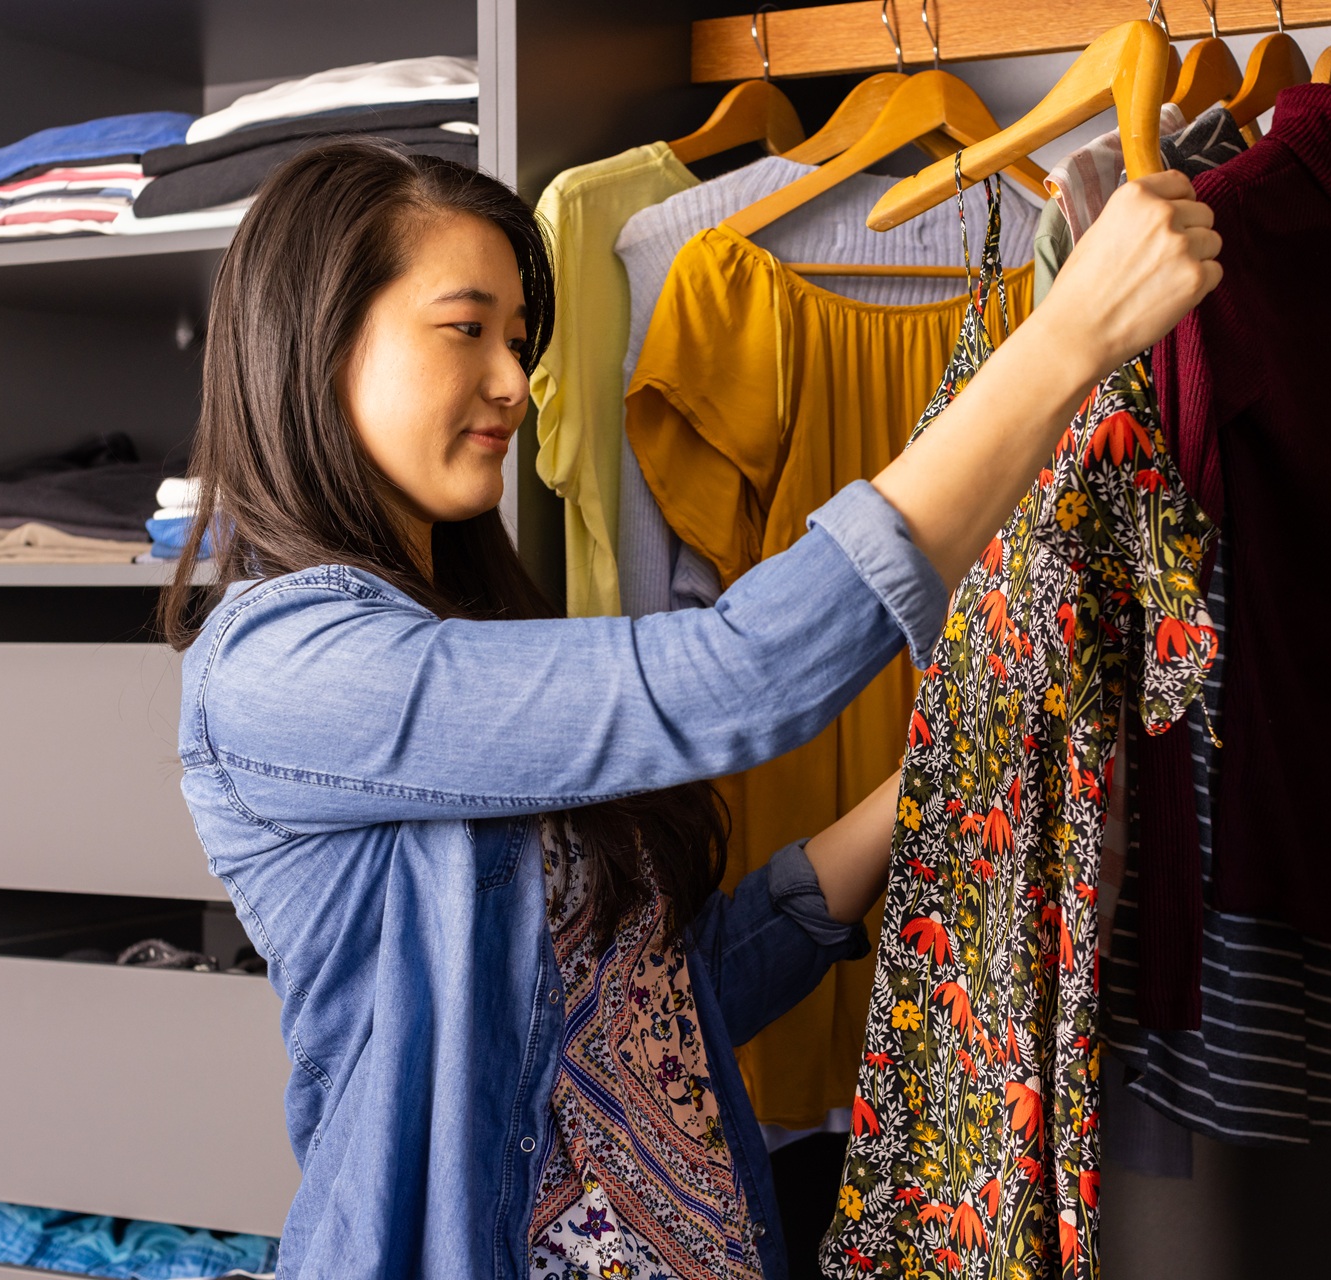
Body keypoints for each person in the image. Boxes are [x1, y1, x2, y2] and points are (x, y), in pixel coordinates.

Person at [160, 138, 1220, 1279]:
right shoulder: (283, 670)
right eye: (468, 328)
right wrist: (1069, 340)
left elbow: (654, 1007)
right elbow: (734, 673)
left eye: (521, 340)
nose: (517, 381)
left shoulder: (468, 643)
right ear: (317, 346)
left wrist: (941, 767)